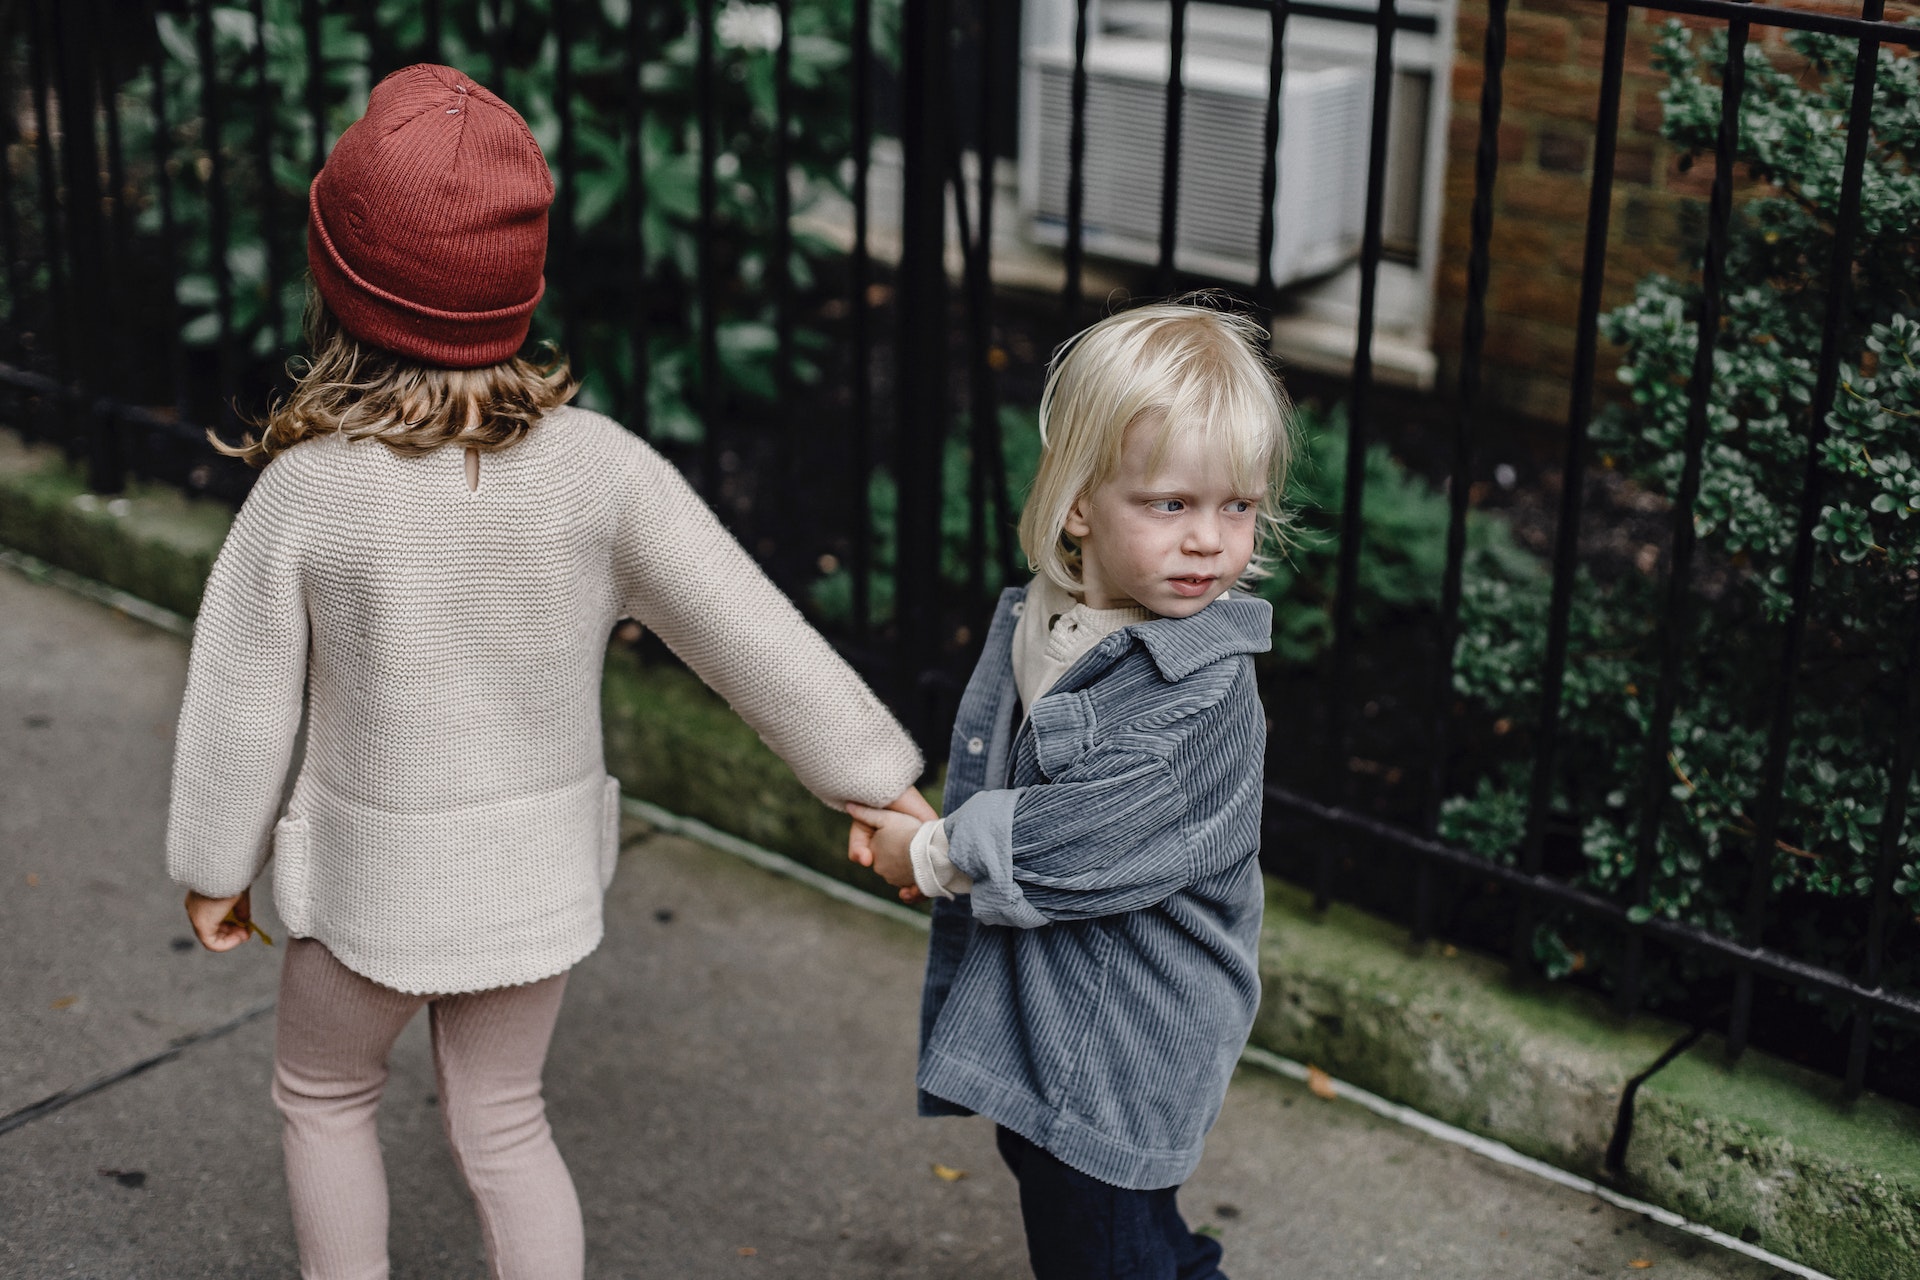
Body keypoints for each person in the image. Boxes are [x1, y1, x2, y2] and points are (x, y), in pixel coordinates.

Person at [166, 64, 931, 1280]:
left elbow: (240, 694)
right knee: (506, 1121)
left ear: (340, 282)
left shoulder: (309, 492)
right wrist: (872, 774)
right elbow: (746, 630)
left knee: (323, 1095)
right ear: (518, 292)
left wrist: (215, 863)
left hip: (370, 882)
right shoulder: (601, 470)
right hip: (532, 887)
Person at [848, 299, 1290, 1280]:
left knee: (1095, 1231)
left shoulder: (1202, 693)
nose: (1211, 540)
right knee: (1082, 1198)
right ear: (1080, 502)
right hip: (1051, 1013)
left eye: (1237, 505)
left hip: (1124, 1036)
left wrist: (927, 853)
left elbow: (1075, 842)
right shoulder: (1052, 614)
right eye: (1172, 504)